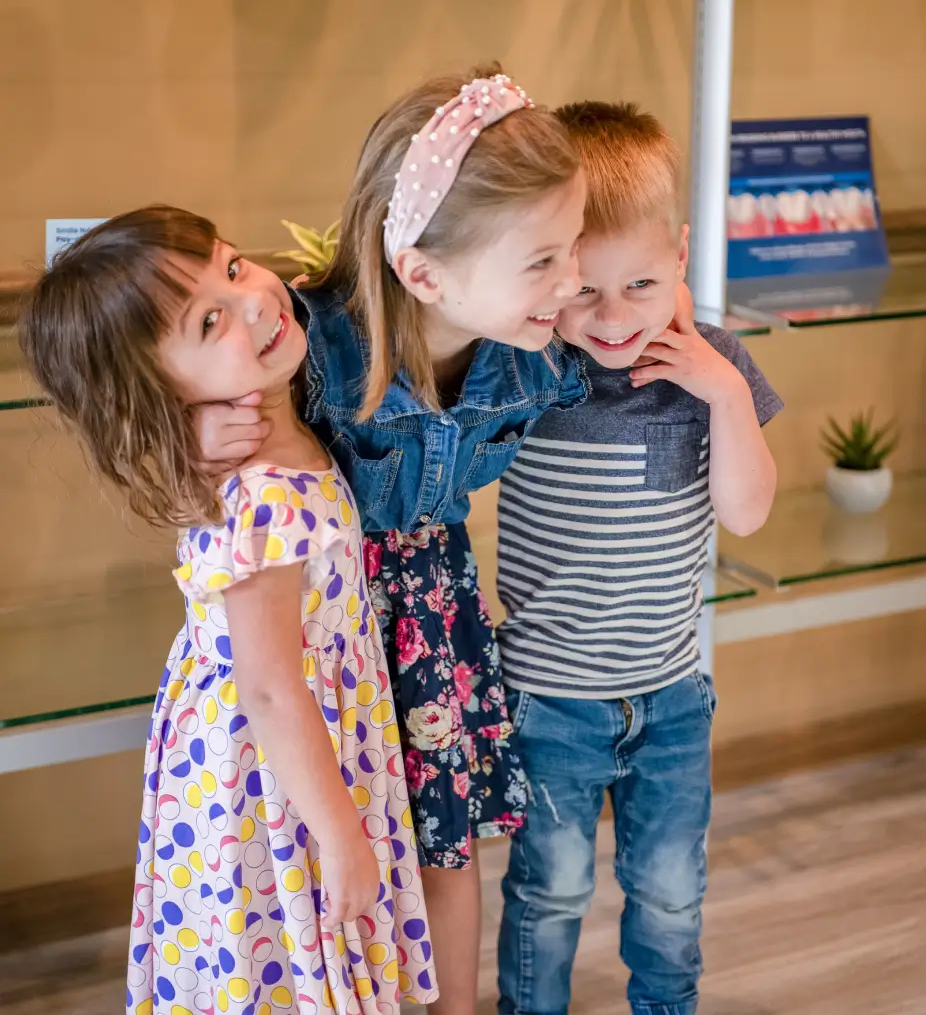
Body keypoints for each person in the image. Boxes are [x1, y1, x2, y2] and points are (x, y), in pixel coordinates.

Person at [194, 68, 590, 1014]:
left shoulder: (540, 354)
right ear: (422, 272)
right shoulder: (310, 339)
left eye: (572, 249)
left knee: (444, 844)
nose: (571, 281)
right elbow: (167, 373)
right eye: (543, 261)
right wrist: (193, 432)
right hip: (321, 640)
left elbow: (638, 332)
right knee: (323, 854)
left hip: (431, 621)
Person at [19, 207, 437, 1015]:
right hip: (276, 769)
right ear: (160, 387)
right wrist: (343, 837)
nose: (253, 303)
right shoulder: (264, 496)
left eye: (235, 267)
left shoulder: (269, 428)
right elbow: (274, 690)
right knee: (283, 951)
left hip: (291, 744)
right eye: (210, 319)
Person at [495, 102, 783, 1015]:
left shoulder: (715, 368)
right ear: (547, 275)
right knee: (552, 891)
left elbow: (745, 513)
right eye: (586, 288)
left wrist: (725, 395)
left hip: (669, 696)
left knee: (669, 891)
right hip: (548, 701)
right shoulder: (526, 368)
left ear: (683, 260)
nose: (614, 318)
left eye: (643, 285)